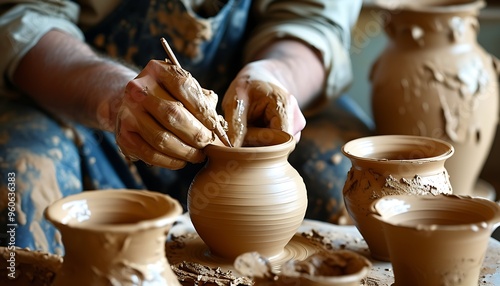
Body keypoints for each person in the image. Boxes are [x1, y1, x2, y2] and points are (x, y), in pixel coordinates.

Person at [0, 0, 369, 255]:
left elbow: (315, 20)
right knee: (22, 179)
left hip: (253, 111)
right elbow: (23, 18)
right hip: (80, 99)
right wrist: (114, 99)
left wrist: (277, 72)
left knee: (352, 173)